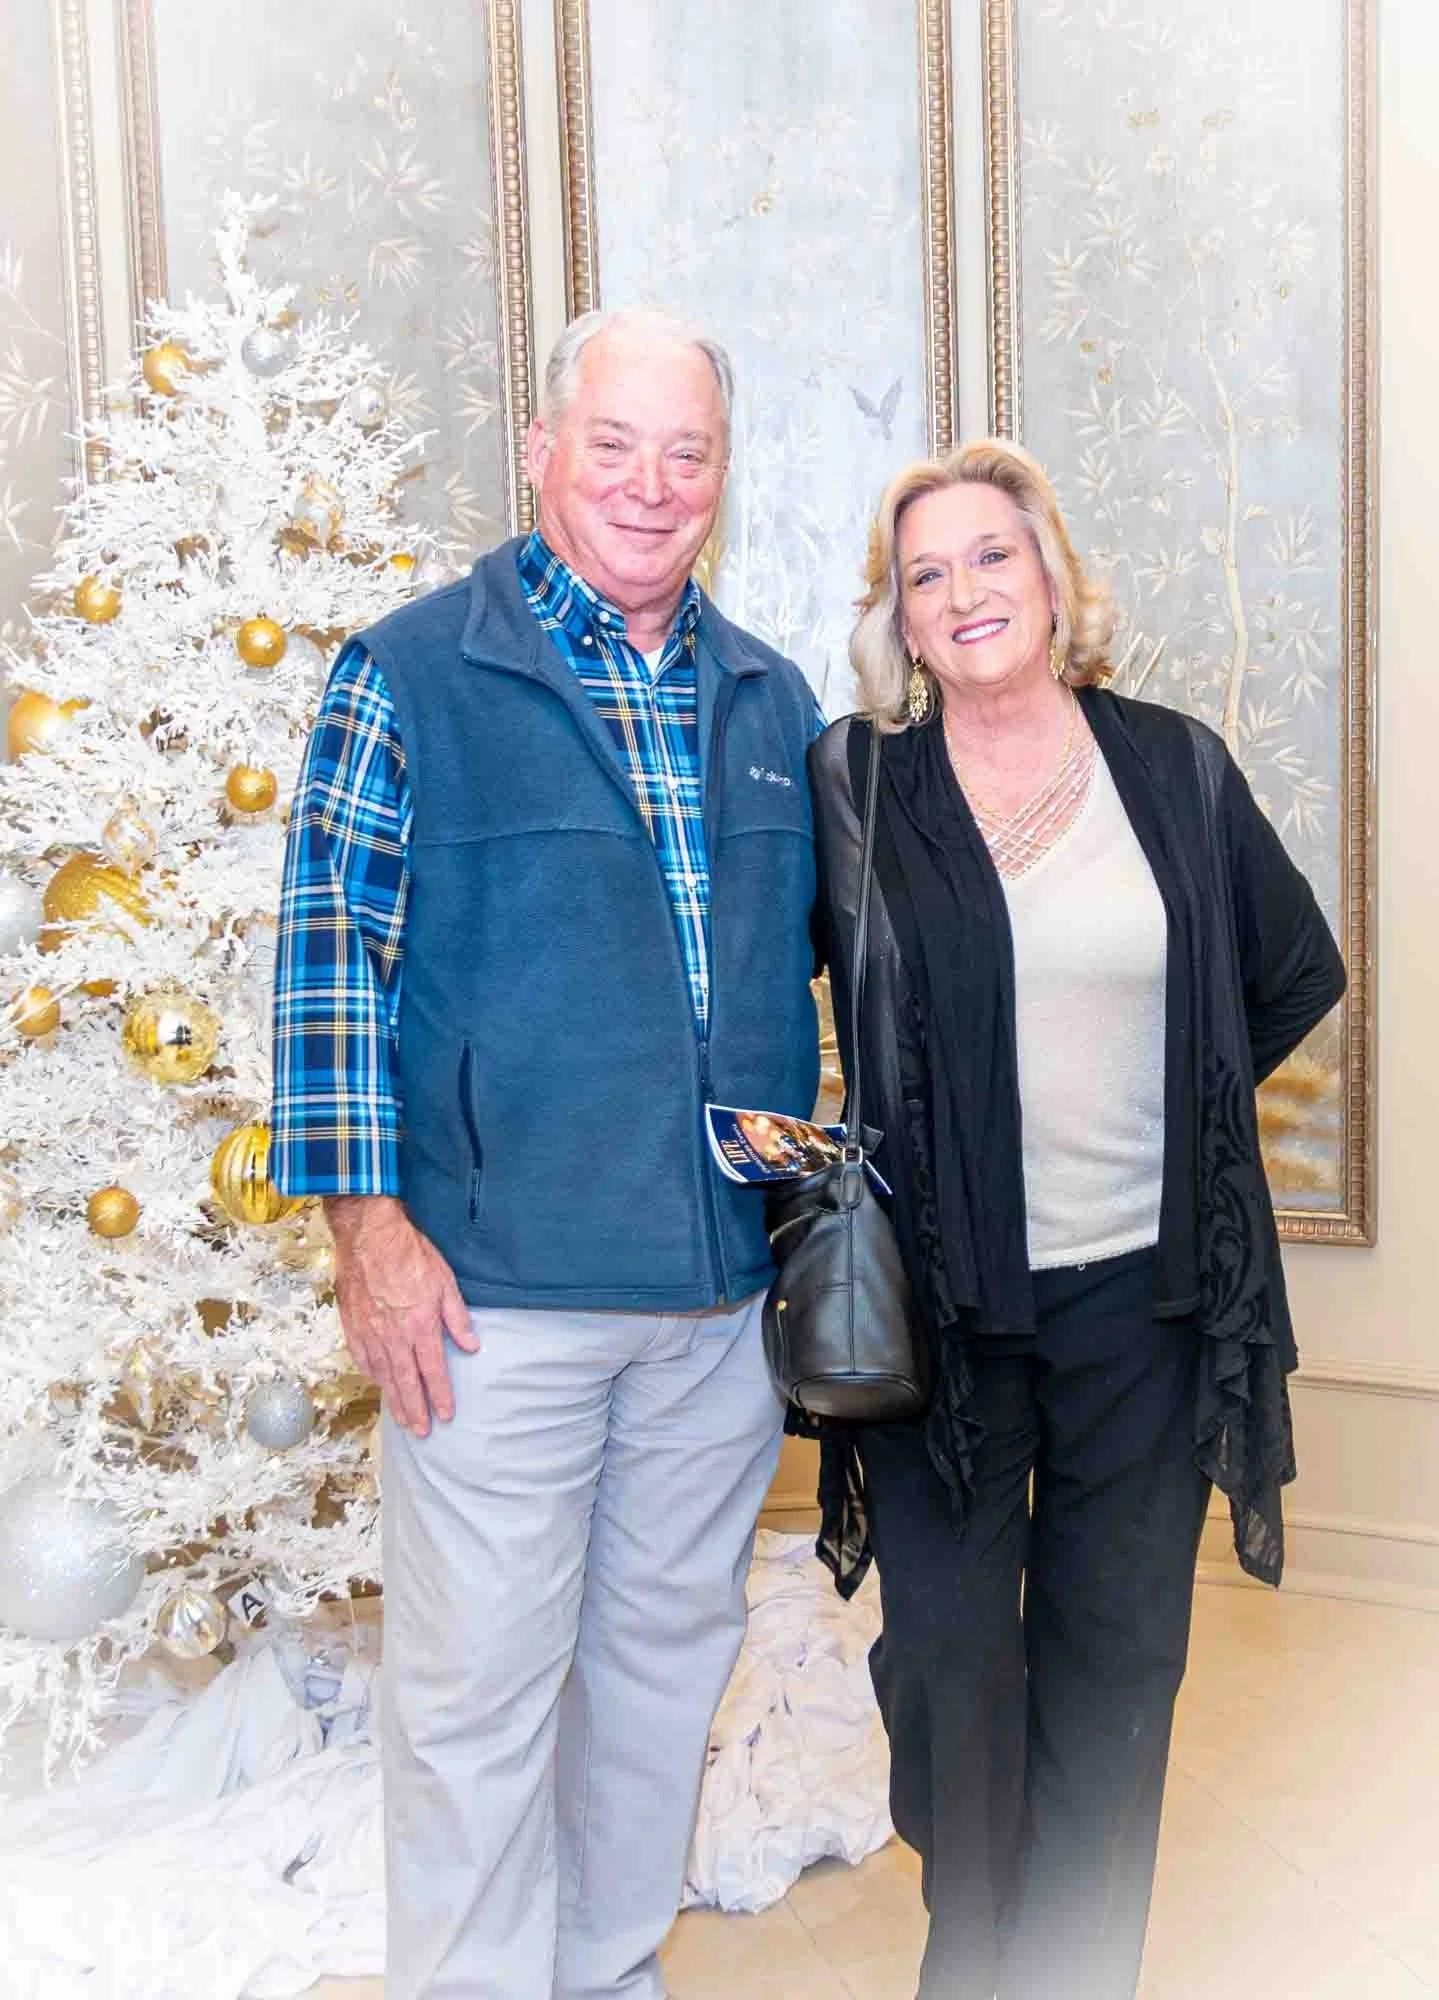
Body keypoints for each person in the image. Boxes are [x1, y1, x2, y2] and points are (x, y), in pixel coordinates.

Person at [269, 306, 824, 1999]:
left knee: (664, 1663)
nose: (652, 487)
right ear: (543, 448)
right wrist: (370, 1233)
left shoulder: (766, 693)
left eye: (688, 452)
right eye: (615, 444)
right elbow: (326, 956)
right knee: (476, 1691)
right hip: (488, 1295)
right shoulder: (415, 671)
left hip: (716, 1295)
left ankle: (603, 1967)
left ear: (722, 474)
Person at [806, 438, 1346, 1999]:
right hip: (947, 1314)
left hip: (1147, 1311)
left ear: (1051, 580)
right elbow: (765, 993)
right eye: (928, 573)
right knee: (956, 1675)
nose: (965, 591)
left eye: (993, 556)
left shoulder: (1171, 767)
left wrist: (1188, 1094)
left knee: (1116, 1677)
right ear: (899, 621)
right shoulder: (860, 791)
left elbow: (1293, 966)